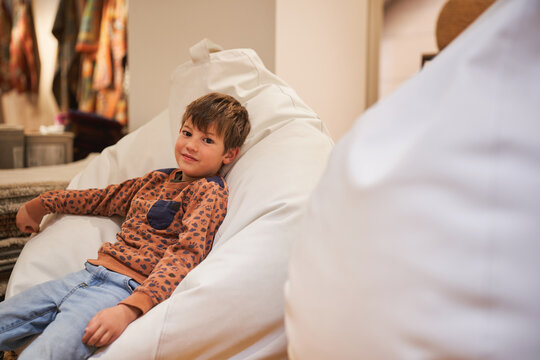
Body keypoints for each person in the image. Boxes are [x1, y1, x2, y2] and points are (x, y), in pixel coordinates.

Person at [0, 92, 250, 360]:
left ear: (230, 154)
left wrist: (128, 309)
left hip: (121, 290)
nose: (191, 145)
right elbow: (101, 198)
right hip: (86, 274)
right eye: (187, 133)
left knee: (45, 353)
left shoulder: (208, 192)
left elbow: (185, 256)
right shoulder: (154, 180)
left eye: (207, 140)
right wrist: (43, 203)